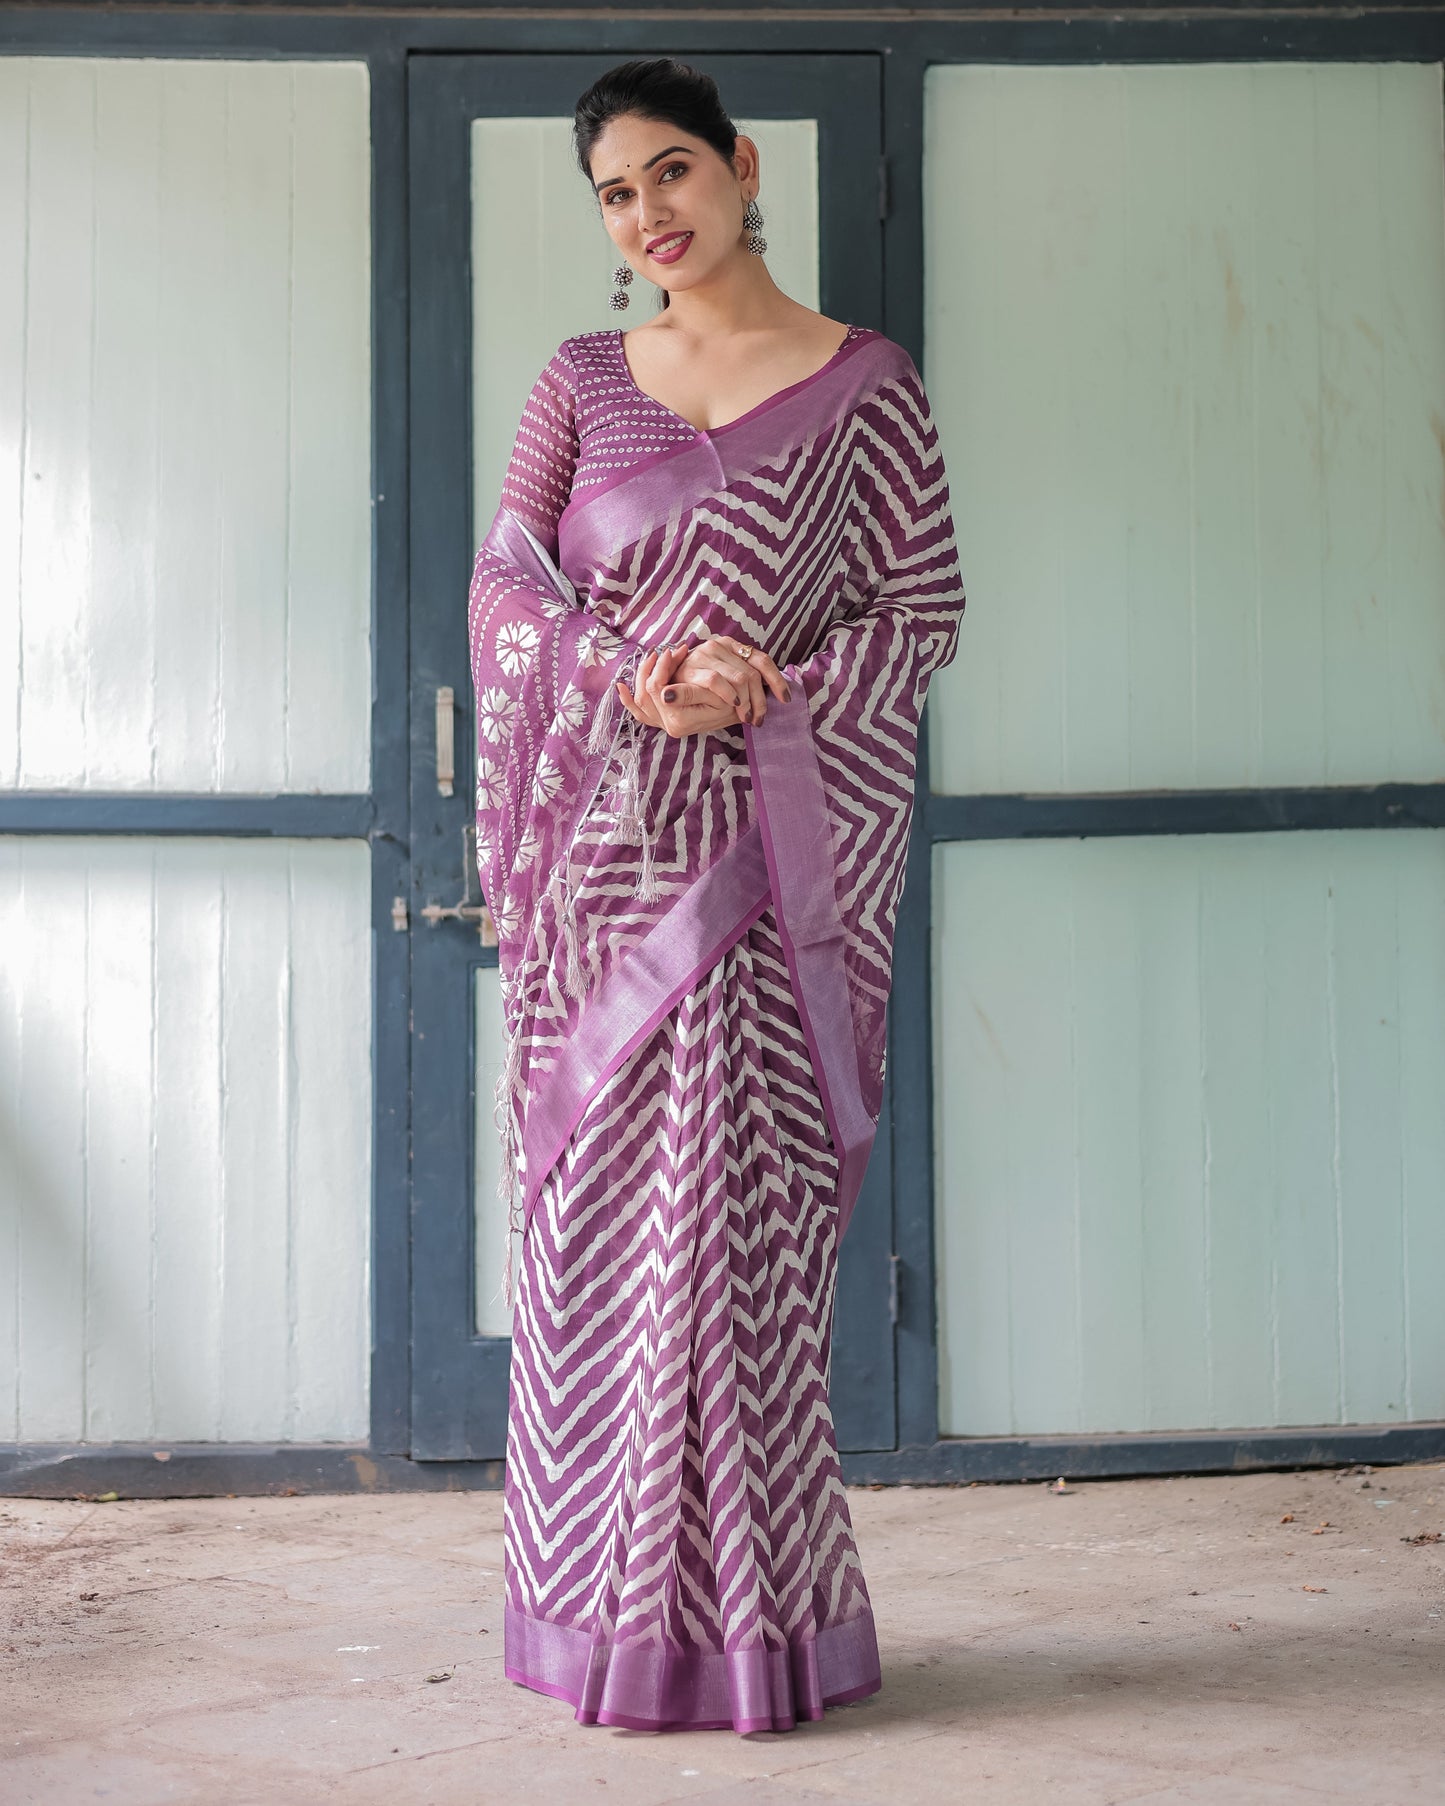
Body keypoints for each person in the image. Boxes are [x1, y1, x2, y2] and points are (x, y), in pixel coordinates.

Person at [467, 54, 967, 1735]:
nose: (648, 214)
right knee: (597, 1251)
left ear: (745, 168)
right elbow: (504, 596)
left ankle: (756, 1629)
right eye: (615, 193)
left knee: (735, 1264)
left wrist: (777, 685)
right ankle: (590, 1612)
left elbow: (920, 609)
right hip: (605, 880)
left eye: (671, 172)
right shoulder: (579, 377)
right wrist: (624, 672)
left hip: (769, 881)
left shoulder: (864, 385)